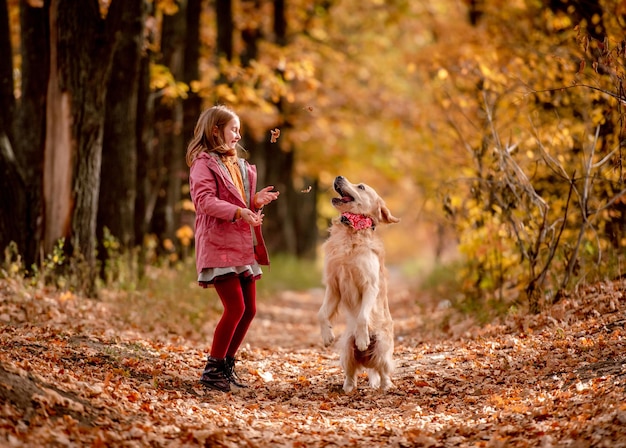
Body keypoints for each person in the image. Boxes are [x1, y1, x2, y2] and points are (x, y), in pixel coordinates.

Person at [186, 105, 279, 392]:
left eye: (239, 130)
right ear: (216, 131)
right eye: (233, 129)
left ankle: (226, 366)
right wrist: (240, 212)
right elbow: (204, 201)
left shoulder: (237, 164)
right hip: (219, 245)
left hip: (241, 246)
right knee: (235, 307)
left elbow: (239, 201)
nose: (238, 135)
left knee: (249, 309)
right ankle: (212, 370)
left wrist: (255, 203)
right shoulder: (204, 163)